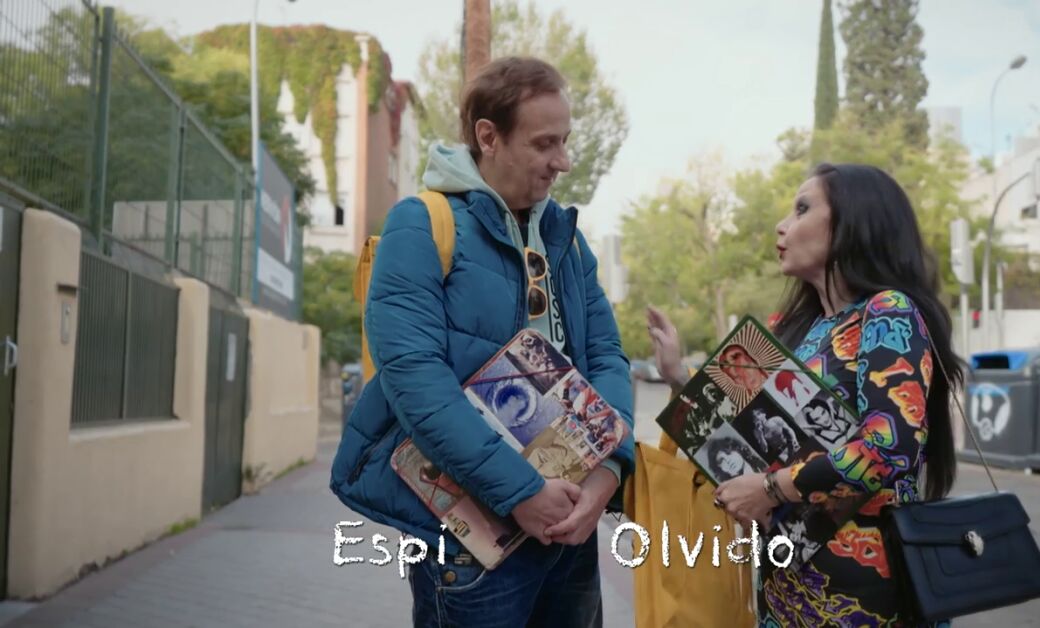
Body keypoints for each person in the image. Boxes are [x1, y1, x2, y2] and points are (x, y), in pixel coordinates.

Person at [330, 56, 635, 628]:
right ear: (488, 137)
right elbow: (415, 382)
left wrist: (609, 472)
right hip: (472, 544)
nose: (563, 161)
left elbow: (607, 359)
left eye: (565, 141)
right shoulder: (421, 224)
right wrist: (521, 492)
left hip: (570, 527)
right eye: (545, 144)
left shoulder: (567, 240)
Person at [648, 163, 963, 627]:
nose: (782, 226)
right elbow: (744, 428)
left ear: (853, 223)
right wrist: (677, 375)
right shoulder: (803, 328)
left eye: (801, 209)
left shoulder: (887, 312)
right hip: (786, 586)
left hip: (865, 593)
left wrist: (770, 489)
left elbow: (890, 447)